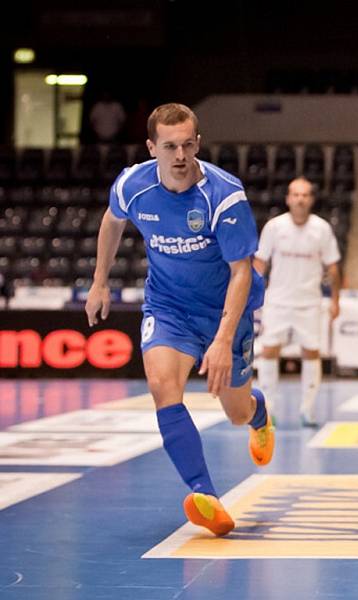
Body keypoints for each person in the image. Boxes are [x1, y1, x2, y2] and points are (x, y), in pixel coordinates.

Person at [85, 103, 274, 537]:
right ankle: (205, 495)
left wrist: (224, 340)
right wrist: (99, 281)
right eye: (169, 146)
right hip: (168, 306)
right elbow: (111, 223)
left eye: (188, 144)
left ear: (198, 144)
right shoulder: (133, 184)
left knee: (235, 411)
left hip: (226, 309)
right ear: (152, 147)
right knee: (162, 387)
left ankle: (259, 412)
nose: (180, 155)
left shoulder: (223, 195)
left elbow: (241, 271)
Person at [253, 177, 341, 427]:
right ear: (288, 199)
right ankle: (269, 408)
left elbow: (333, 267)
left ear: (311, 199)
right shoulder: (274, 227)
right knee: (269, 350)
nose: (300, 199)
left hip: (309, 302)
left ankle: (308, 410)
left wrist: (336, 300)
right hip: (277, 301)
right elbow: (260, 263)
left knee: (311, 353)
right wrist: (251, 294)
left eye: (304, 195)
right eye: (295, 194)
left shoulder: (322, 229)